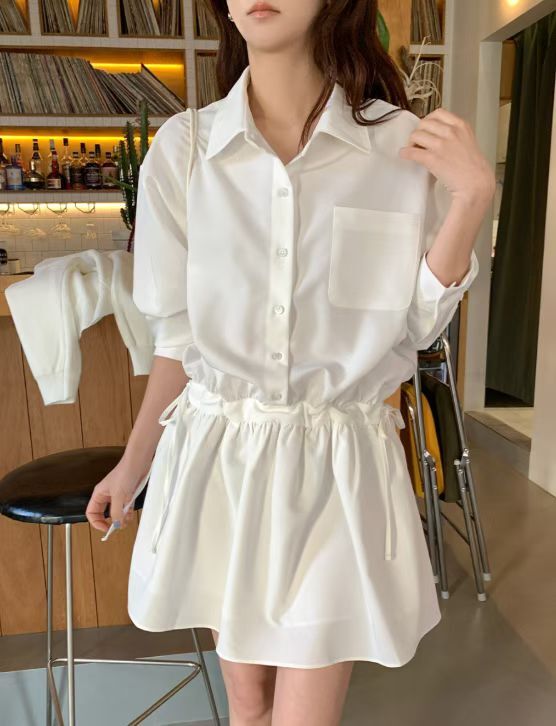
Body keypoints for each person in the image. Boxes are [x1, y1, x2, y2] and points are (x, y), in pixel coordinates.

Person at [86, 1, 495, 724]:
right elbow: (178, 341)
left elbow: (417, 324)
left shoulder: (398, 146)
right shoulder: (185, 149)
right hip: (220, 461)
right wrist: (133, 464)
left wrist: (472, 200)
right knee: (249, 706)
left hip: (338, 466)